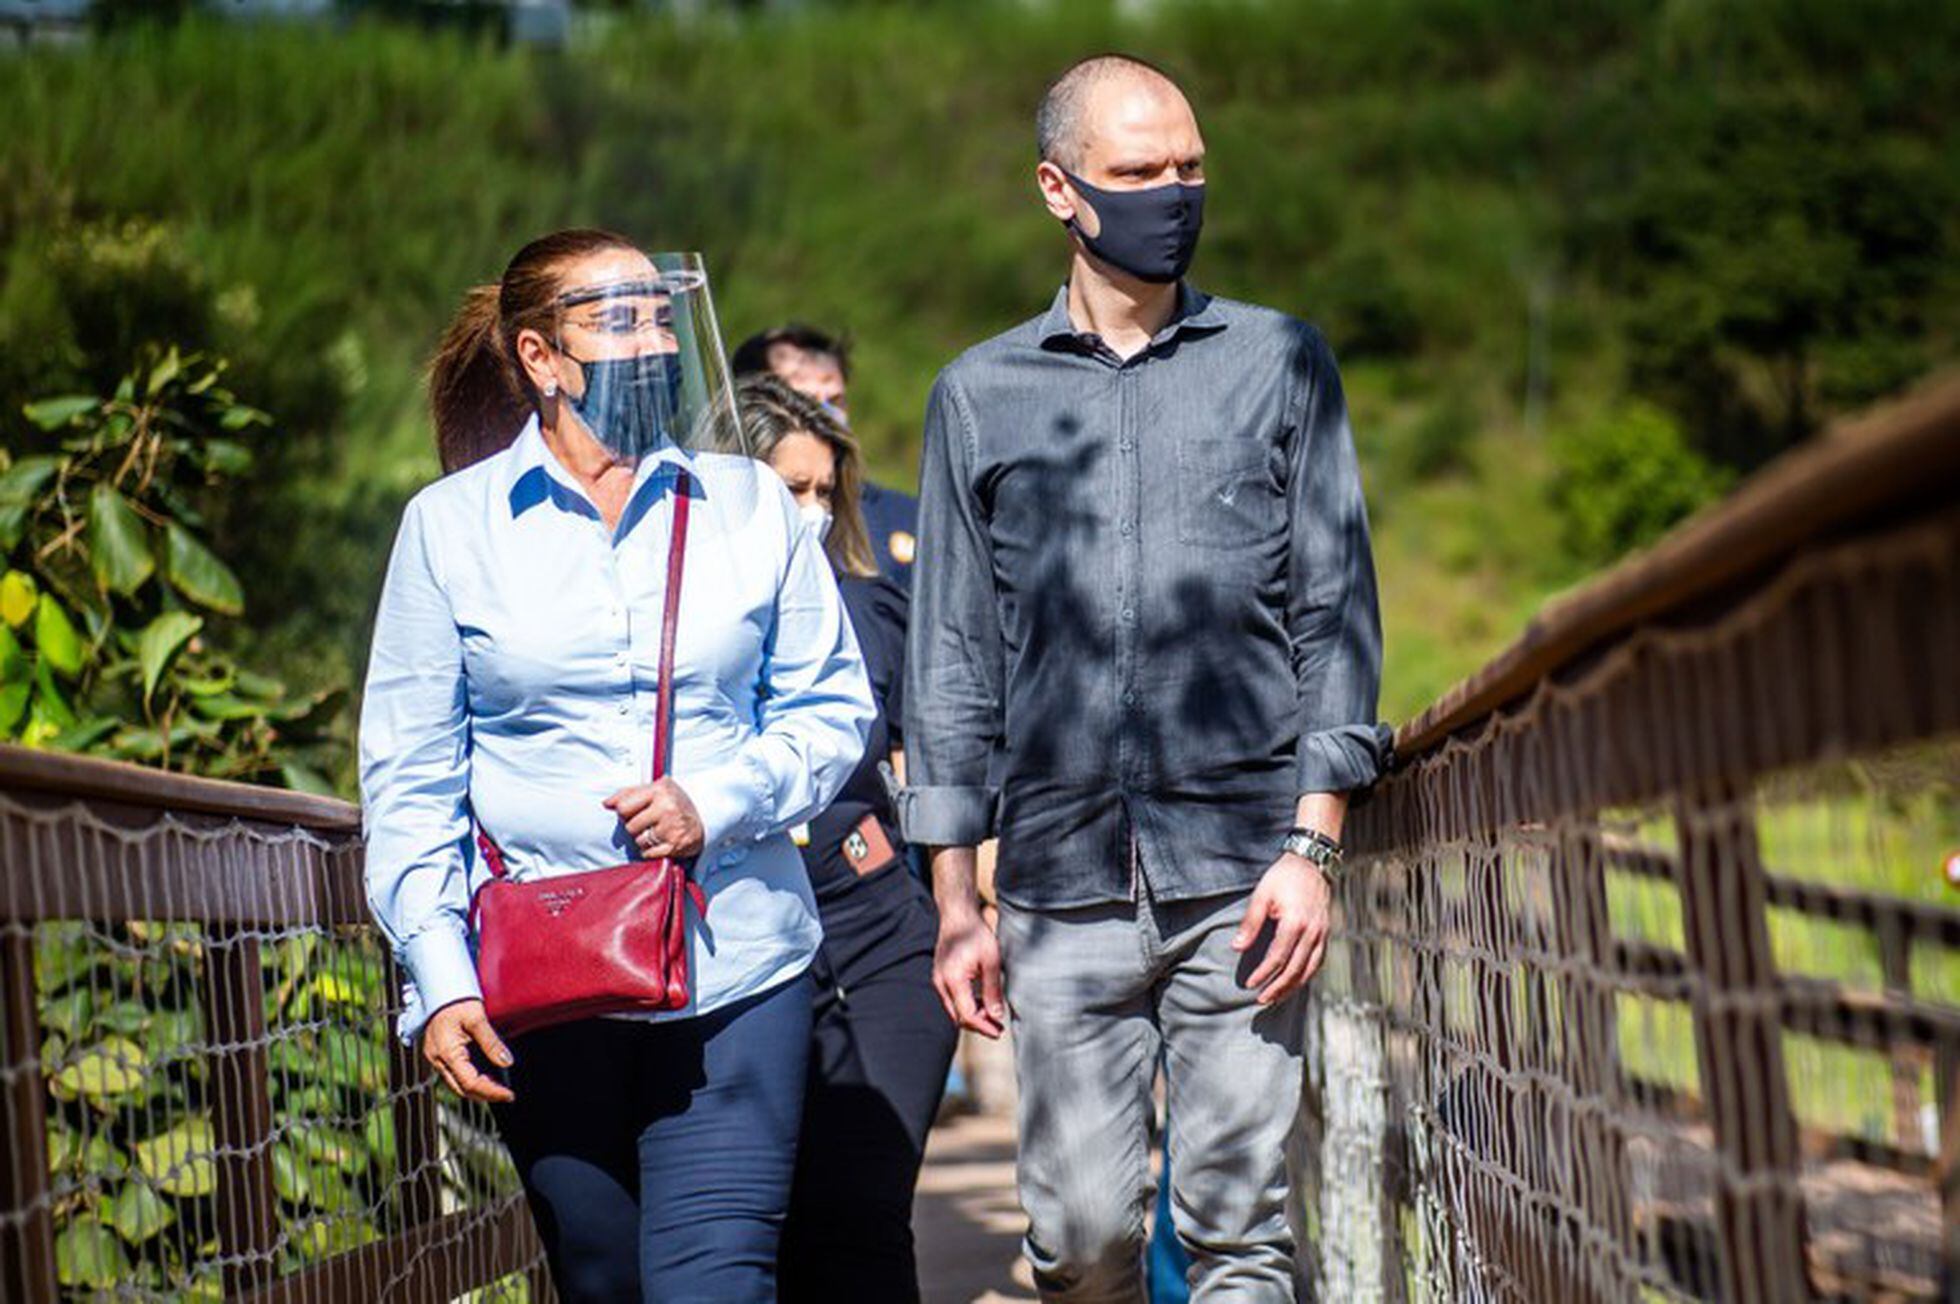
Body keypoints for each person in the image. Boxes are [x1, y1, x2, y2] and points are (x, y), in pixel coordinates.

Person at [902, 55, 1391, 1302]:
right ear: (1058, 190)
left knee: (1239, 1229)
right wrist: (956, 896)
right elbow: (954, 654)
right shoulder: (977, 395)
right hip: (1059, 880)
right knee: (1079, 1240)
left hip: (1244, 870)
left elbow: (1333, 613)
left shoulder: (1282, 363)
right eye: (1138, 173)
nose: (1172, 193)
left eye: (1189, 167)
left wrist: (1314, 843)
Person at [359, 229, 874, 1303]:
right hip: (547, 985)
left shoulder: (747, 505)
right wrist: (438, 972)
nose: (653, 340)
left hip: (739, 959)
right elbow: (410, 775)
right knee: (604, 1278)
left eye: (660, 315)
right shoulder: (451, 529)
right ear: (543, 358)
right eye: (620, 318)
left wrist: (717, 800)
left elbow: (831, 707)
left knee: (716, 1281)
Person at [732, 373, 958, 1302]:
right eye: (792, 490)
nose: (816, 513)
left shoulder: (866, 605)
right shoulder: (675, 627)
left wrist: (961, 899)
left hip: (878, 934)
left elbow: (935, 749)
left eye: (827, 491)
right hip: (746, 943)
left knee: (864, 1213)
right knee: (771, 1224)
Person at [732, 322, 920, 589]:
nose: (823, 412)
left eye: (834, 400)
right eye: (804, 398)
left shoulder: (906, 517)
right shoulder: (717, 525)